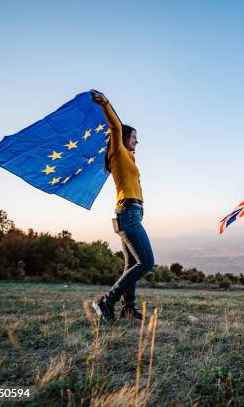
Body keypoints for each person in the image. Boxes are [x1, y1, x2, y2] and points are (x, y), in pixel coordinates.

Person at [90, 90, 154, 322]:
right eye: (134, 136)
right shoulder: (117, 151)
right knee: (146, 262)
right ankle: (106, 301)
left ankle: (128, 308)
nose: (137, 140)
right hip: (128, 214)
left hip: (131, 213)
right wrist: (106, 104)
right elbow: (115, 127)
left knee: (132, 264)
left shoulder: (129, 156)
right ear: (125, 137)